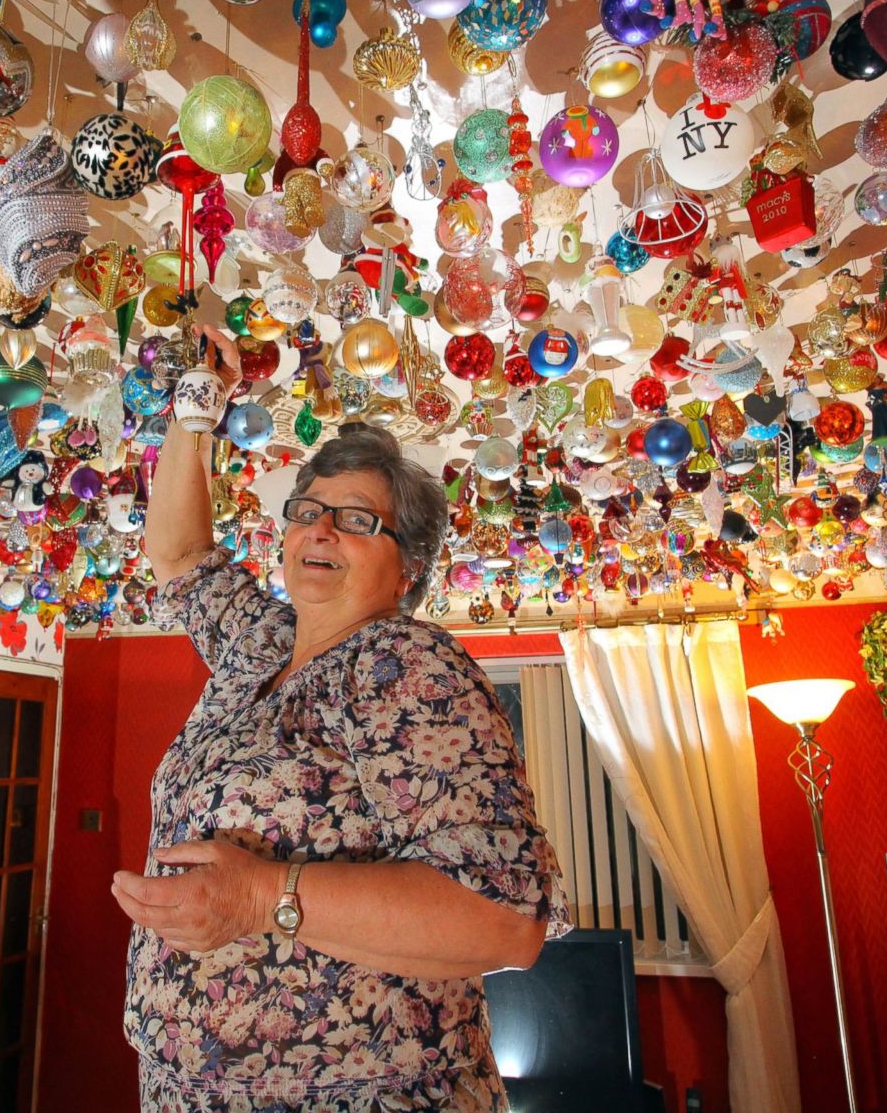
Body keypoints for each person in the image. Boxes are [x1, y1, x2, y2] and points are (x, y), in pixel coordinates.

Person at [114, 327, 569, 1113]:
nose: (320, 530)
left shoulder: (409, 667)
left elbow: (503, 921)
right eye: (308, 510)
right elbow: (181, 555)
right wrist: (196, 410)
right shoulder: (262, 645)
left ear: (411, 565)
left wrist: (263, 899)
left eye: (358, 520)